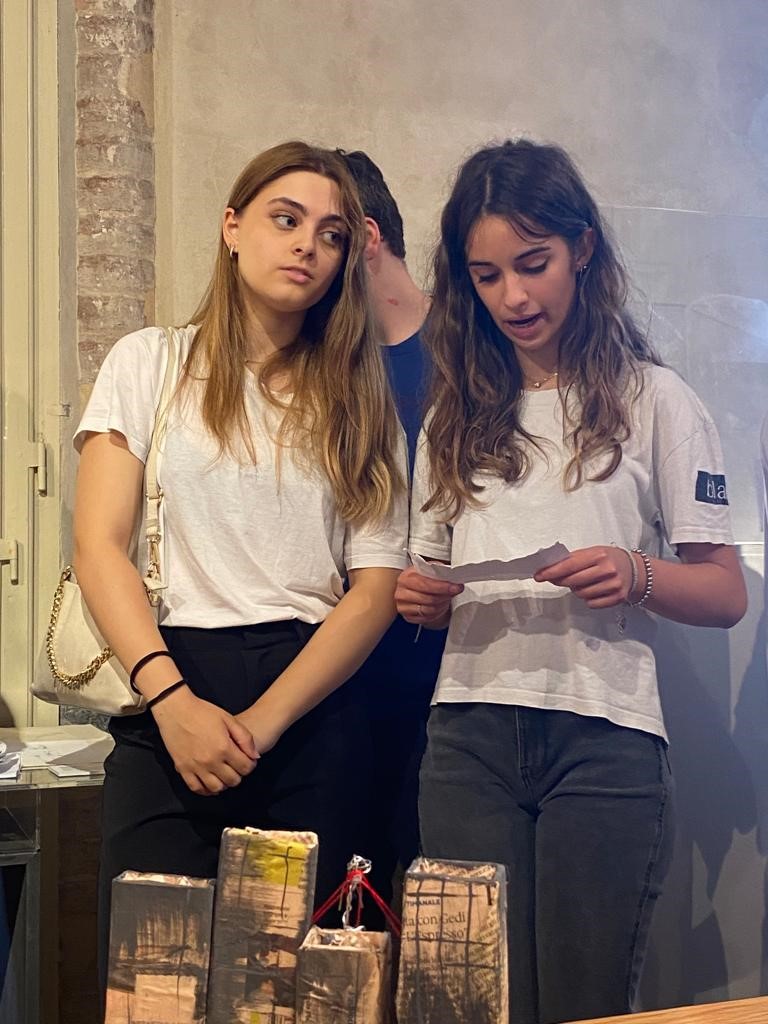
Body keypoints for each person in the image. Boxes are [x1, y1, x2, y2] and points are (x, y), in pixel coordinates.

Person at [395, 139, 747, 1024]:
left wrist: (635, 572)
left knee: (586, 1004)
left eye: (533, 264)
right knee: (472, 1006)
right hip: (467, 737)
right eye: (486, 276)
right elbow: (424, 579)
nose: (513, 297)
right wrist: (418, 599)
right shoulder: (453, 414)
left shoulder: (655, 399)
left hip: (605, 738)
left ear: (582, 249)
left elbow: (725, 592)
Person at [72, 141, 408, 996]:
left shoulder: (359, 394)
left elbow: (374, 589)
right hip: (168, 687)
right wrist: (173, 702)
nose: (306, 245)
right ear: (231, 227)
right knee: (150, 986)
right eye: (285, 219)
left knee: (295, 993)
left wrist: (262, 724)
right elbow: (98, 545)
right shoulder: (149, 360)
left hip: (310, 706)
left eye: (331, 235)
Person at [337, 149, 445, 915]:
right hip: (340, 680)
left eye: (327, 234)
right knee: (351, 913)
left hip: (459, 685)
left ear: (368, 237)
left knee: (446, 921)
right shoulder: (325, 366)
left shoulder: (478, 347)